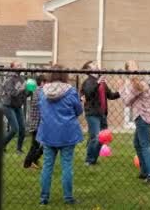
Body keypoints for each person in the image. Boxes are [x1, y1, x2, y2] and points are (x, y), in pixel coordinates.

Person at [37, 66, 83, 205]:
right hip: (67, 133)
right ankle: (68, 197)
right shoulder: (71, 91)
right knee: (67, 165)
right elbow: (78, 110)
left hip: (48, 132)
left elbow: (41, 110)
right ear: (65, 75)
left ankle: (44, 197)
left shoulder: (42, 92)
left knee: (47, 165)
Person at [119, 60, 150, 186]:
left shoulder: (137, 83)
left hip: (143, 116)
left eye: (134, 67)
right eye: (130, 68)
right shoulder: (136, 82)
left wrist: (120, 87)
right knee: (137, 143)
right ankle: (144, 171)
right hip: (147, 115)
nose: (133, 70)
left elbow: (126, 101)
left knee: (145, 145)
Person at [80, 60, 121, 166]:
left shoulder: (101, 81)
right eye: (93, 64)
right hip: (92, 113)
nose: (97, 64)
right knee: (95, 137)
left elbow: (110, 95)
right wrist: (98, 83)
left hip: (102, 114)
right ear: (89, 70)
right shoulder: (88, 81)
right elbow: (89, 94)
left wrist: (120, 92)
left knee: (103, 138)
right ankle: (88, 160)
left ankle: (93, 159)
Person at [2, 62, 27, 153]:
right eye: (18, 65)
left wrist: (30, 90)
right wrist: (22, 88)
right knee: (15, 129)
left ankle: (19, 149)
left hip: (17, 106)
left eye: (21, 65)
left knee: (23, 128)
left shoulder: (21, 79)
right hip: (8, 106)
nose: (21, 66)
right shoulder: (9, 78)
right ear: (12, 68)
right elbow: (12, 93)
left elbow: (24, 95)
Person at [24, 75, 46, 169]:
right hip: (37, 123)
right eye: (46, 83)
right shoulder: (39, 91)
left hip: (37, 123)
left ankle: (33, 161)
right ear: (42, 83)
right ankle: (28, 163)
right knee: (36, 145)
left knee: (39, 144)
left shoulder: (37, 91)